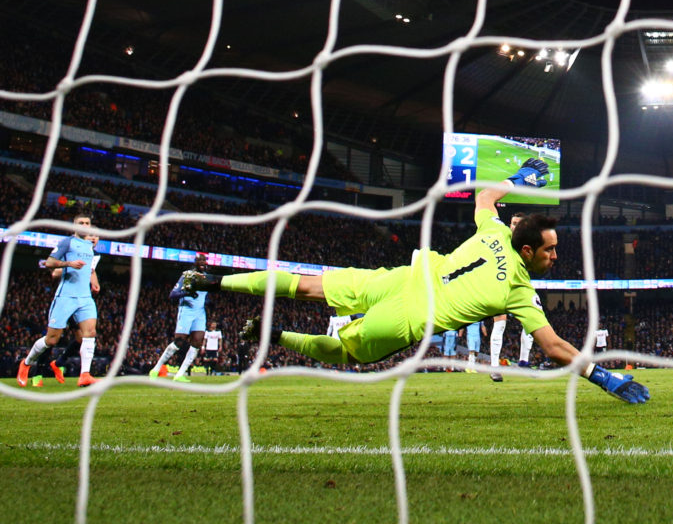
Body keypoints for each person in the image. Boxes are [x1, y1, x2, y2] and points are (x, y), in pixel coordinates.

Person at [182, 158, 649, 403]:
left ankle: (211, 281)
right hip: (410, 314)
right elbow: (554, 348)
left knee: (306, 284)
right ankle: (276, 333)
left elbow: (486, 195)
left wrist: (521, 175)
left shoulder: (493, 229)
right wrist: (603, 377)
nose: (555, 255)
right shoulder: (521, 291)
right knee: (346, 351)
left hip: (401, 278)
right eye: (549, 249)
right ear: (527, 250)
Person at [18, 214, 101, 387]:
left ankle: (85, 374)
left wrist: (94, 282)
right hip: (66, 297)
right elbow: (48, 263)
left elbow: (90, 270)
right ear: (74, 226)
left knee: (90, 333)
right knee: (52, 340)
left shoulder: (89, 247)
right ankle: (26, 363)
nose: (85, 225)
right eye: (81, 223)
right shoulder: (67, 242)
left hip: (85, 298)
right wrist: (69, 264)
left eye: (87, 223)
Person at [149, 254, 210, 383]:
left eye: (204, 260)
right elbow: (173, 294)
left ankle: (180, 374)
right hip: (186, 310)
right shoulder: (187, 276)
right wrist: (188, 292)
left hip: (200, 313)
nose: (203, 262)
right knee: (179, 342)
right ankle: (156, 368)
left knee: (198, 342)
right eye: (200, 260)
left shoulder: (207, 277)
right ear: (195, 263)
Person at [489, 213, 535, 382]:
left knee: (531, 321)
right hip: (501, 286)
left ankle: (524, 362)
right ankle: (494, 367)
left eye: (518, 224)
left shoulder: (527, 245)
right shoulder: (502, 239)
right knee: (500, 323)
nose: (515, 226)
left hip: (519, 288)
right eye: (513, 223)